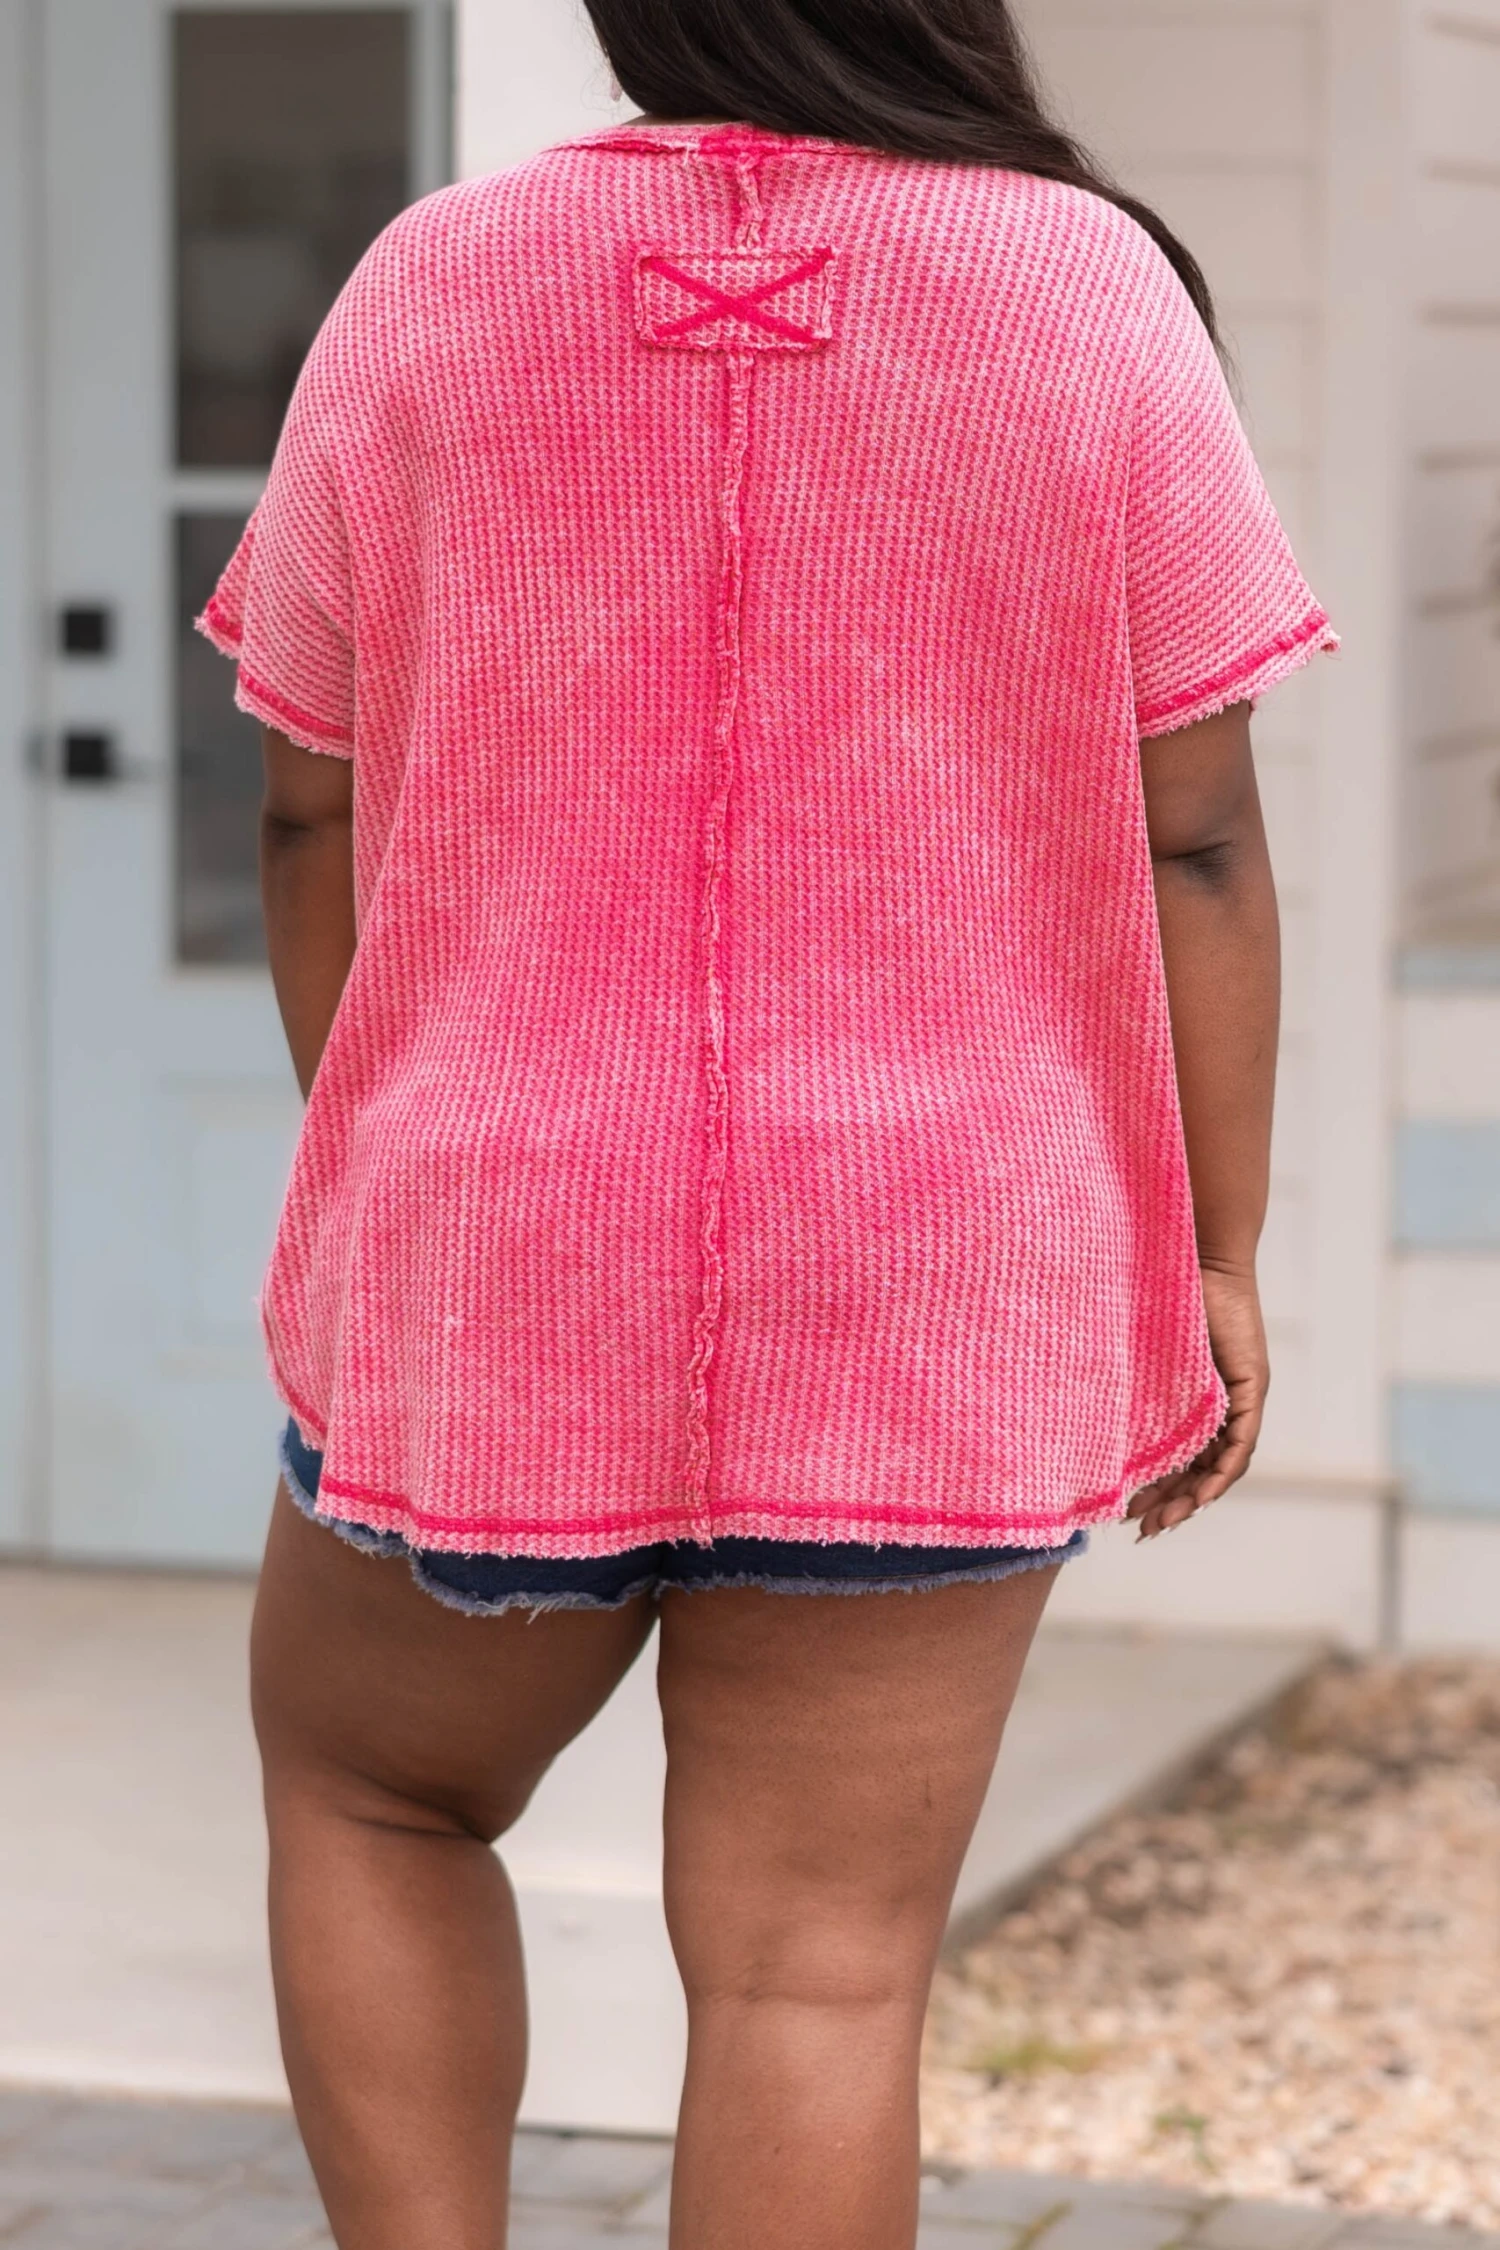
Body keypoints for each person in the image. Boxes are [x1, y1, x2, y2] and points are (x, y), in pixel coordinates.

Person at [200, 1, 1336, 2242]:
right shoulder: (1083, 286)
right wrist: (1216, 1251)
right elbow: (1194, 837)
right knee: (819, 1972)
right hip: (938, 1258)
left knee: (372, 1794)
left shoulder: (435, 280)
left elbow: (305, 804)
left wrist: (412, 1156)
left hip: (502, 1218)